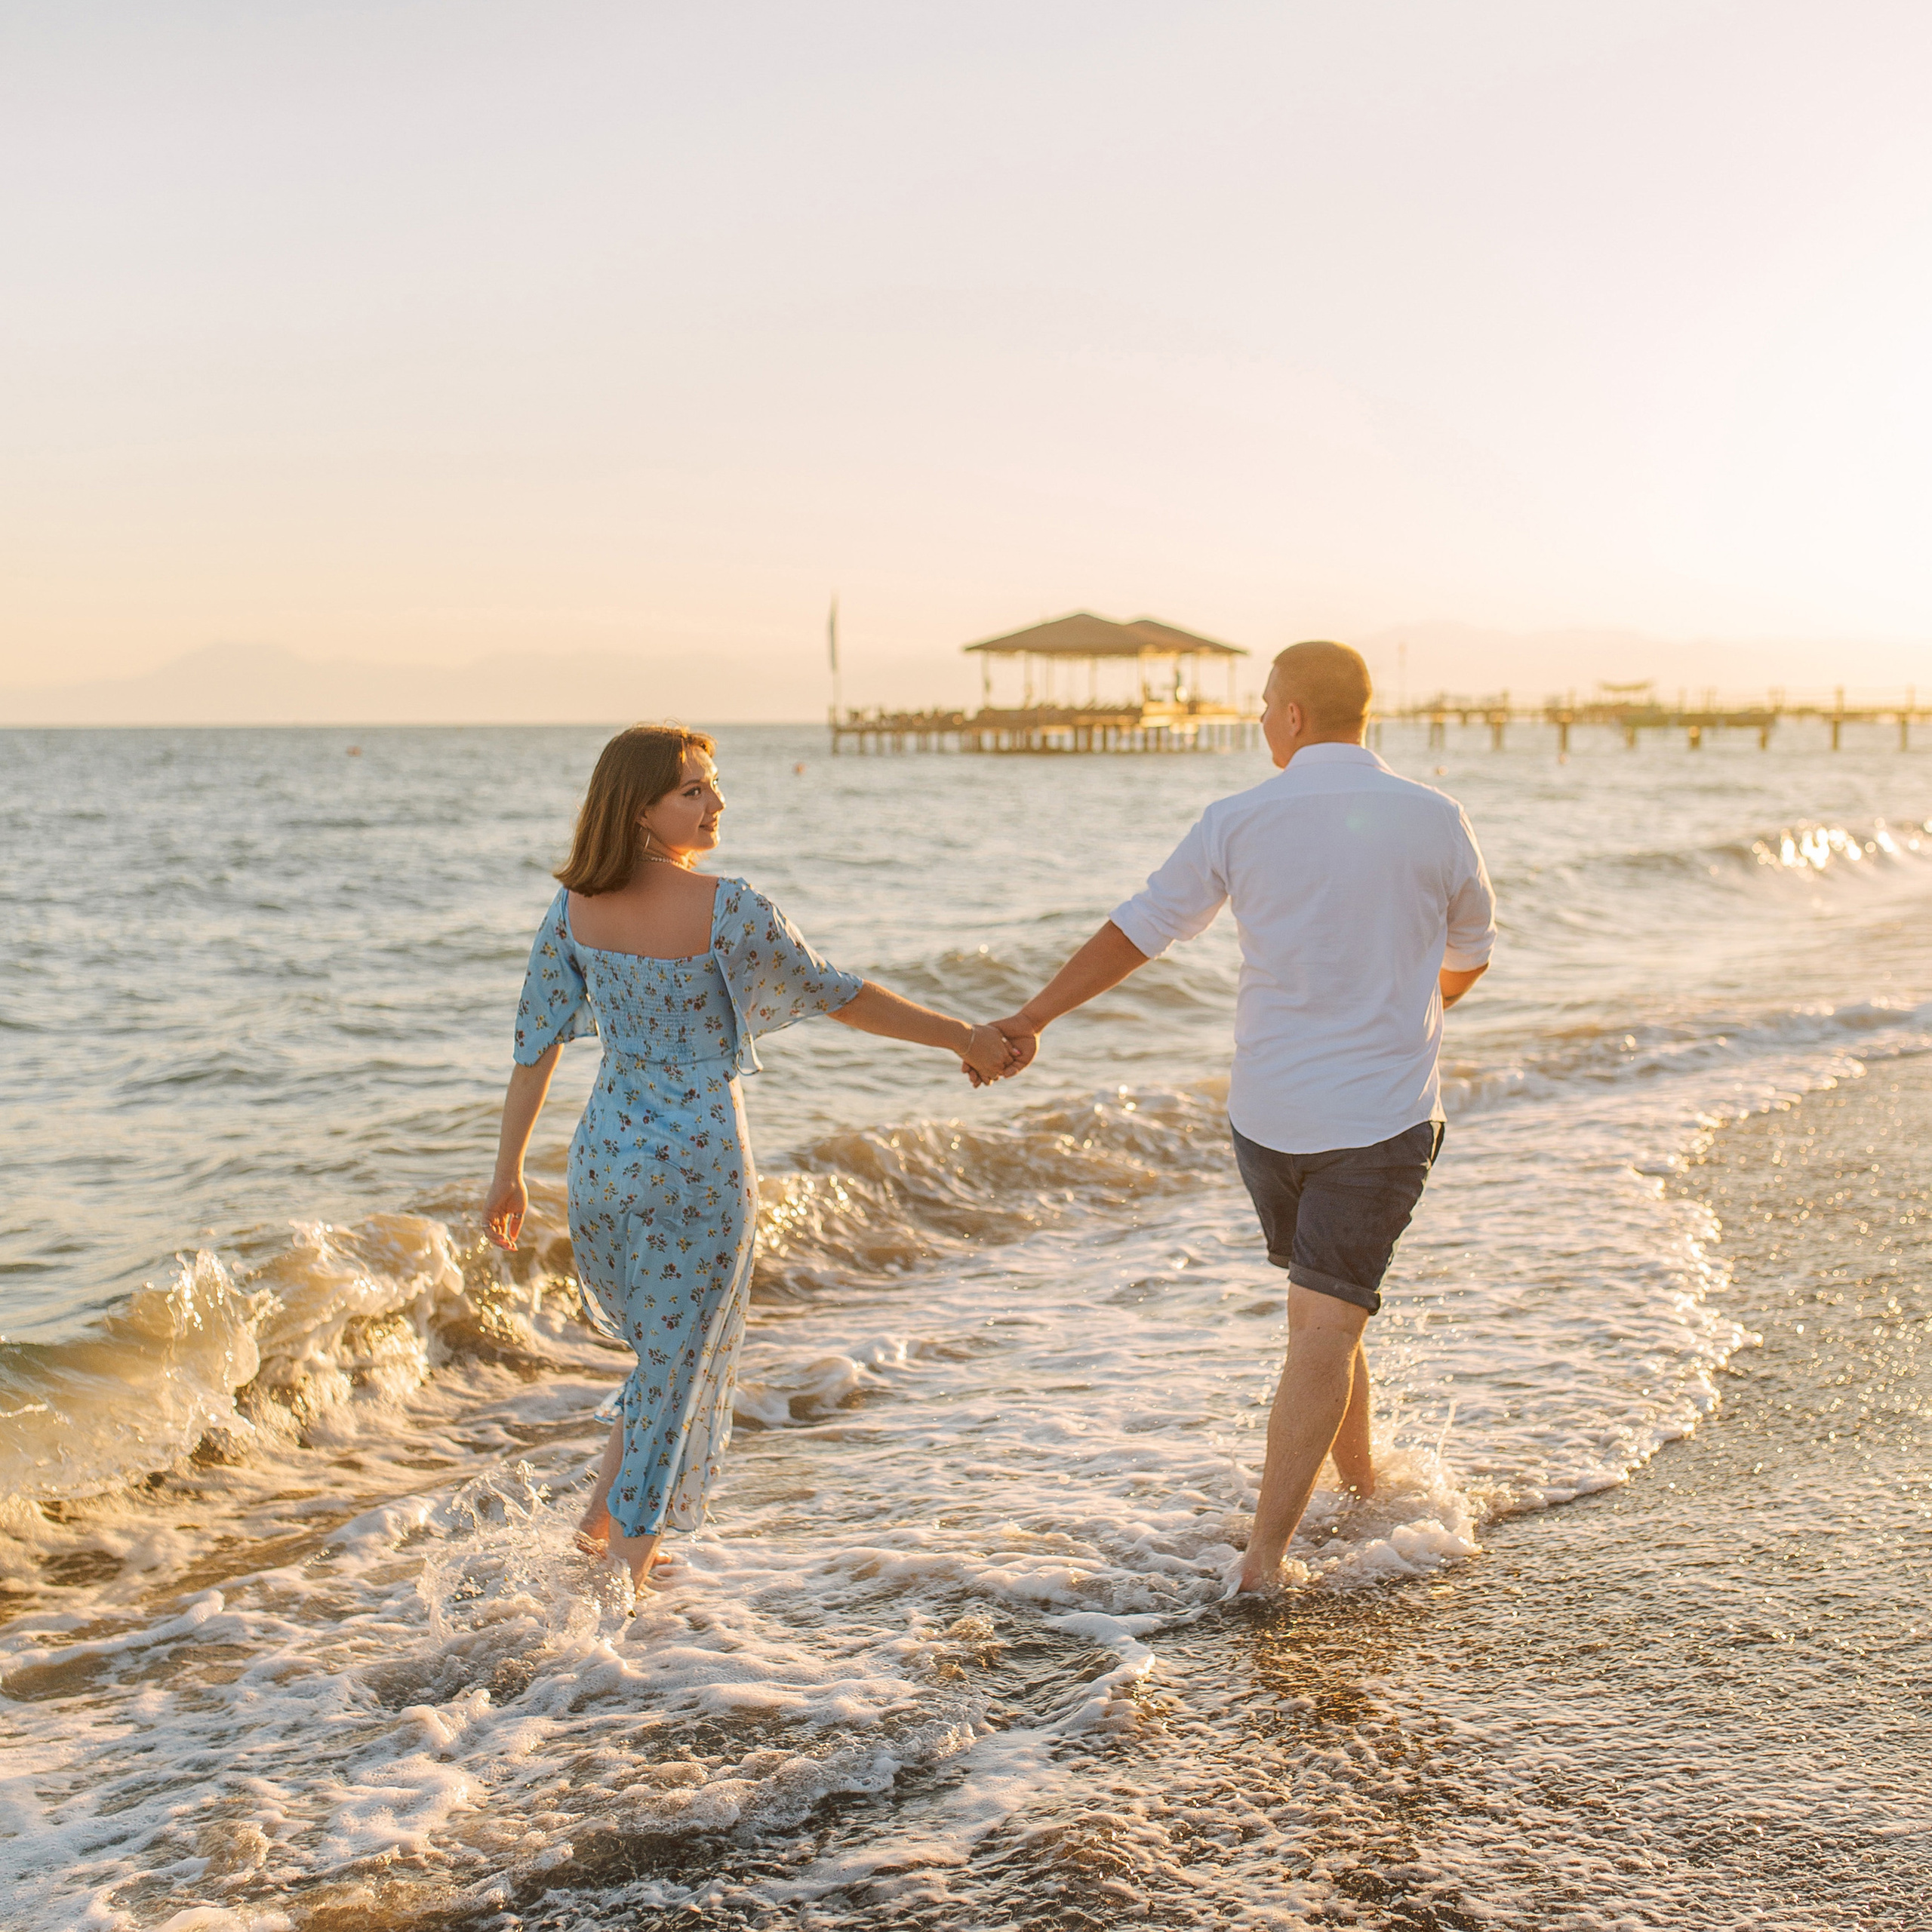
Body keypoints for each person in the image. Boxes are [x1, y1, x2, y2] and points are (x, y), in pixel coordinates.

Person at [987, 641, 1496, 1593]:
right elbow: (1471, 946)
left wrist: (1029, 1018)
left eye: (1265, 705)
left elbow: (1140, 927)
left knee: (1323, 1316)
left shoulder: (1239, 818)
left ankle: (1274, 1549)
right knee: (1326, 1320)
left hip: (1266, 1118)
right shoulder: (1436, 818)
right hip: (1381, 1116)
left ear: (1295, 715)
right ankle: (1317, 1518)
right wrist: (1421, 1007)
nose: (1261, 720)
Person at [483, 724, 1017, 1589]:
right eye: (693, 789)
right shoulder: (728, 907)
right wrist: (964, 1035)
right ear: (641, 807)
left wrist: (507, 1172)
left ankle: (591, 1532)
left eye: (712, 784)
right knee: (677, 1360)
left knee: (661, 1353)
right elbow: (841, 994)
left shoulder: (573, 908)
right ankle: (626, 1575)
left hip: (605, 1158)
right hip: (698, 1159)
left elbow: (532, 1046)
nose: (716, 803)